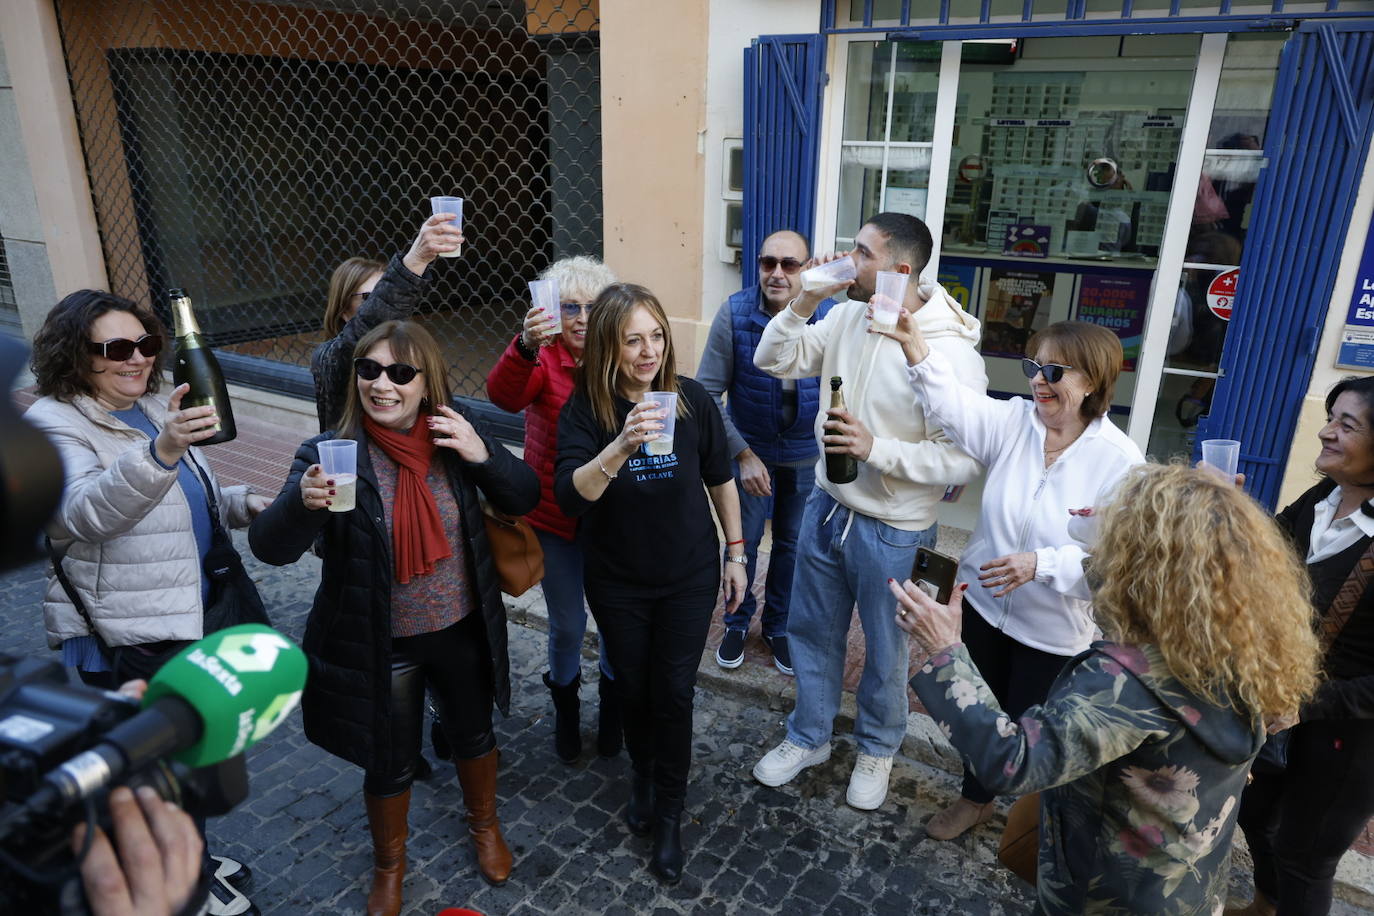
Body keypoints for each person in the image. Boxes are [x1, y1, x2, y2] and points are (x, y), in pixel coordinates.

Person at [894, 463, 1321, 915]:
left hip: (1105, 894)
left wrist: (944, 648)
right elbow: (1135, 580)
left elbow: (1011, 763)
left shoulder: (1126, 681)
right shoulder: (1242, 641)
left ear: (1140, 563)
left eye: (1119, 541)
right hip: (1184, 888)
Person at [250, 320, 538, 914]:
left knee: (473, 734)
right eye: (369, 370)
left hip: (461, 625)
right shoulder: (329, 452)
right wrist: (301, 506)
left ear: (426, 381)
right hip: (378, 640)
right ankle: (389, 865)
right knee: (388, 760)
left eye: (400, 373)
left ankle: (485, 827)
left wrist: (483, 457)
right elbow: (269, 548)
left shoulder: (458, 433)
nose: (382, 384)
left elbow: (525, 497)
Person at [25, 289, 268, 916]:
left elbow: (181, 504)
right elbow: (78, 515)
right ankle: (182, 882)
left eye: (146, 344)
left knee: (197, 755)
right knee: (162, 771)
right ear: (76, 356)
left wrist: (243, 503)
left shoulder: (154, 403)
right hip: (133, 628)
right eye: (116, 348)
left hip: (195, 608)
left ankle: (197, 856)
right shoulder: (55, 423)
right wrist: (161, 449)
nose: (137, 359)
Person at [750, 212, 986, 812]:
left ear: (899, 270)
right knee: (812, 630)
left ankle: (878, 747)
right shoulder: (851, 312)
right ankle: (809, 737)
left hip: (896, 530)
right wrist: (805, 298)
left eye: (861, 253)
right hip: (827, 507)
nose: (845, 259)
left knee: (886, 651)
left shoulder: (949, 350)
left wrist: (874, 449)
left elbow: (961, 459)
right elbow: (772, 360)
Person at [876, 314, 1144, 839]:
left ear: (1091, 380)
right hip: (981, 607)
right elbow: (951, 403)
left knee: (1031, 732)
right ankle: (975, 800)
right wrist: (914, 345)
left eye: (1055, 371)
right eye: (1033, 367)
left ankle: (1036, 826)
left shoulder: (1121, 462)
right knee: (979, 713)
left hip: (1052, 634)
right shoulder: (1015, 422)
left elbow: (1117, 566)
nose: (1039, 380)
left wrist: (1042, 564)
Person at [554, 283, 747, 884]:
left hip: (688, 574)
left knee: (675, 694)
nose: (648, 352)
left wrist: (737, 555)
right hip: (618, 580)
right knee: (633, 690)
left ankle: (669, 815)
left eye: (656, 336)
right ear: (609, 345)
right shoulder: (587, 409)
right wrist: (620, 444)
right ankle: (640, 771)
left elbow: (720, 479)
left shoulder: (689, 399)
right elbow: (571, 497)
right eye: (633, 339)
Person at [1230, 375, 1374, 916]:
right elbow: (1267, 548)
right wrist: (1226, 505)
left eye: (1347, 425)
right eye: (1331, 417)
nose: (1326, 433)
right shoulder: (1324, 496)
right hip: (1282, 704)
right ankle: (1266, 905)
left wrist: (1306, 706)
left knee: (1305, 856)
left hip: (1349, 732)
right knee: (1254, 810)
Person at [486, 255, 620, 763]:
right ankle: (565, 709)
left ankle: (612, 711)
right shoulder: (543, 359)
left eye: (593, 306)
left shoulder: (620, 359)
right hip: (555, 521)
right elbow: (503, 396)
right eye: (571, 307)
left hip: (610, 522)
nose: (583, 318)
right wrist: (523, 345)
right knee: (566, 625)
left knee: (612, 623)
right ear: (553, 312)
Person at [696, 229, 836, 675]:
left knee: (793, 546)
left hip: (804, 456)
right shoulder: (735, 313)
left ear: (806, 268)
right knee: (744, 542)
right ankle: (736, 621)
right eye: (767, 263)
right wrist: (741, 453)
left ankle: (778, 626)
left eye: (789, 265)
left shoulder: (829, 316)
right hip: (751, 453)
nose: (776, 273)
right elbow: (706, 393)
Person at [312, 213, 463, 431]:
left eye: (400, 373)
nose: (383, 385)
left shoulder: (414, 351)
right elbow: (368, 327)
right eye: (369, 298)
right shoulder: (329, 358)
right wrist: (416, 259)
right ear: (343, 311)